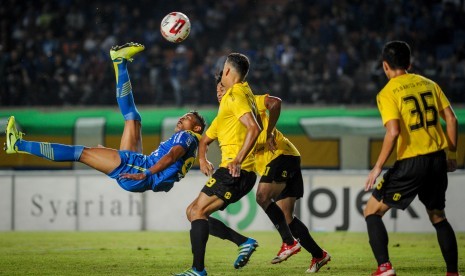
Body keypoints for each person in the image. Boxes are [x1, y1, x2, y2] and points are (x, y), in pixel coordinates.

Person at [4, 42, 206, 193]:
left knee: (80, 153)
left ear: (196, 128)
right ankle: (120, 61)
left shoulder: (188, 137)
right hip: (139, 164)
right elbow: (170, 173)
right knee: (132, 118)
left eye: (187, 117)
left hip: (139, 169)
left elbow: (171, 156)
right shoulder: (192, 141)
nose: (181, 118)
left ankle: (18, 145)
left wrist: (146, 173)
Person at [215, 73, 330, 272]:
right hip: (287, 157)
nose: (220, 93)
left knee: (262, 196)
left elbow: (275, 103)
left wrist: (268, 133)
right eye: (217, 90)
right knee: (287, 217)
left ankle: (289, 243)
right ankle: (319, 255)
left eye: (223, 88)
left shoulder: (249, 101)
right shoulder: (229, 120)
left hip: (281, 155)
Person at [363, 41, 459, 276]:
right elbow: (452, 119)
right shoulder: (430, 84)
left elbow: (393, 132)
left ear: (385, 66)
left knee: (372, 212)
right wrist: (452, 154)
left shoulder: (387, 93)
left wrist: (377, 168)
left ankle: (384, 267)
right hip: (437, 159)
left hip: (411, 161)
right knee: (438, 216)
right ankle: (453, 272)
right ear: (409, 63)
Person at [174, 53, 262, 276]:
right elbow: (204, 140)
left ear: (228, 72)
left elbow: (254, 128)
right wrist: (202, 158)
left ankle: (198, 270)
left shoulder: (236, 94)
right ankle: (243, 242)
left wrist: (239, 159)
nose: (219, 90)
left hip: (236, 170)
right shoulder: (231, 105)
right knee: (193, 212)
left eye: (223, 70)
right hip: (234, 170)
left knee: (197, 211)